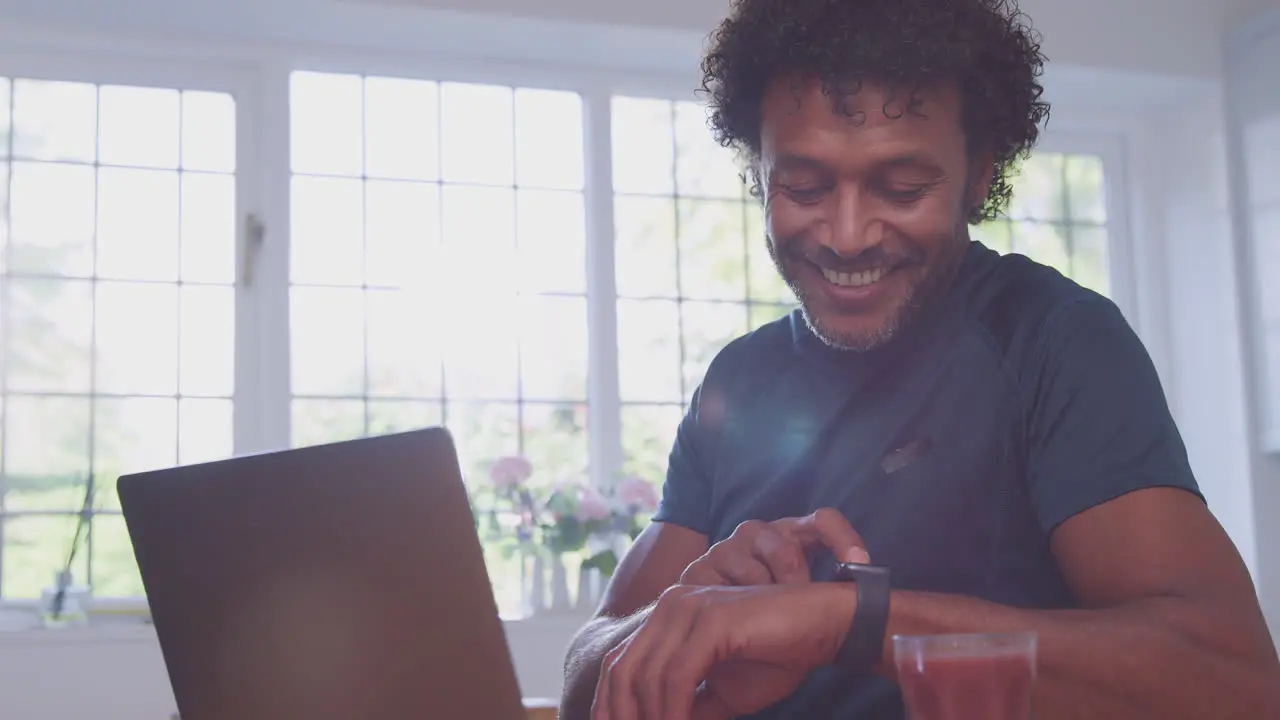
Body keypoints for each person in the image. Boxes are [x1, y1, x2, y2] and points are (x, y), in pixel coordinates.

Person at [560, 0, 1280, 718]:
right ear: (759, 172)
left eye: (902, 188)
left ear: (978, 176)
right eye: (805, 186)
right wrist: (681, 616)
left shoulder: (1052, 340)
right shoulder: (738, 381)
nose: (847, 236)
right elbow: (583, 677)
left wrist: (850, 622)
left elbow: (1233, 681)